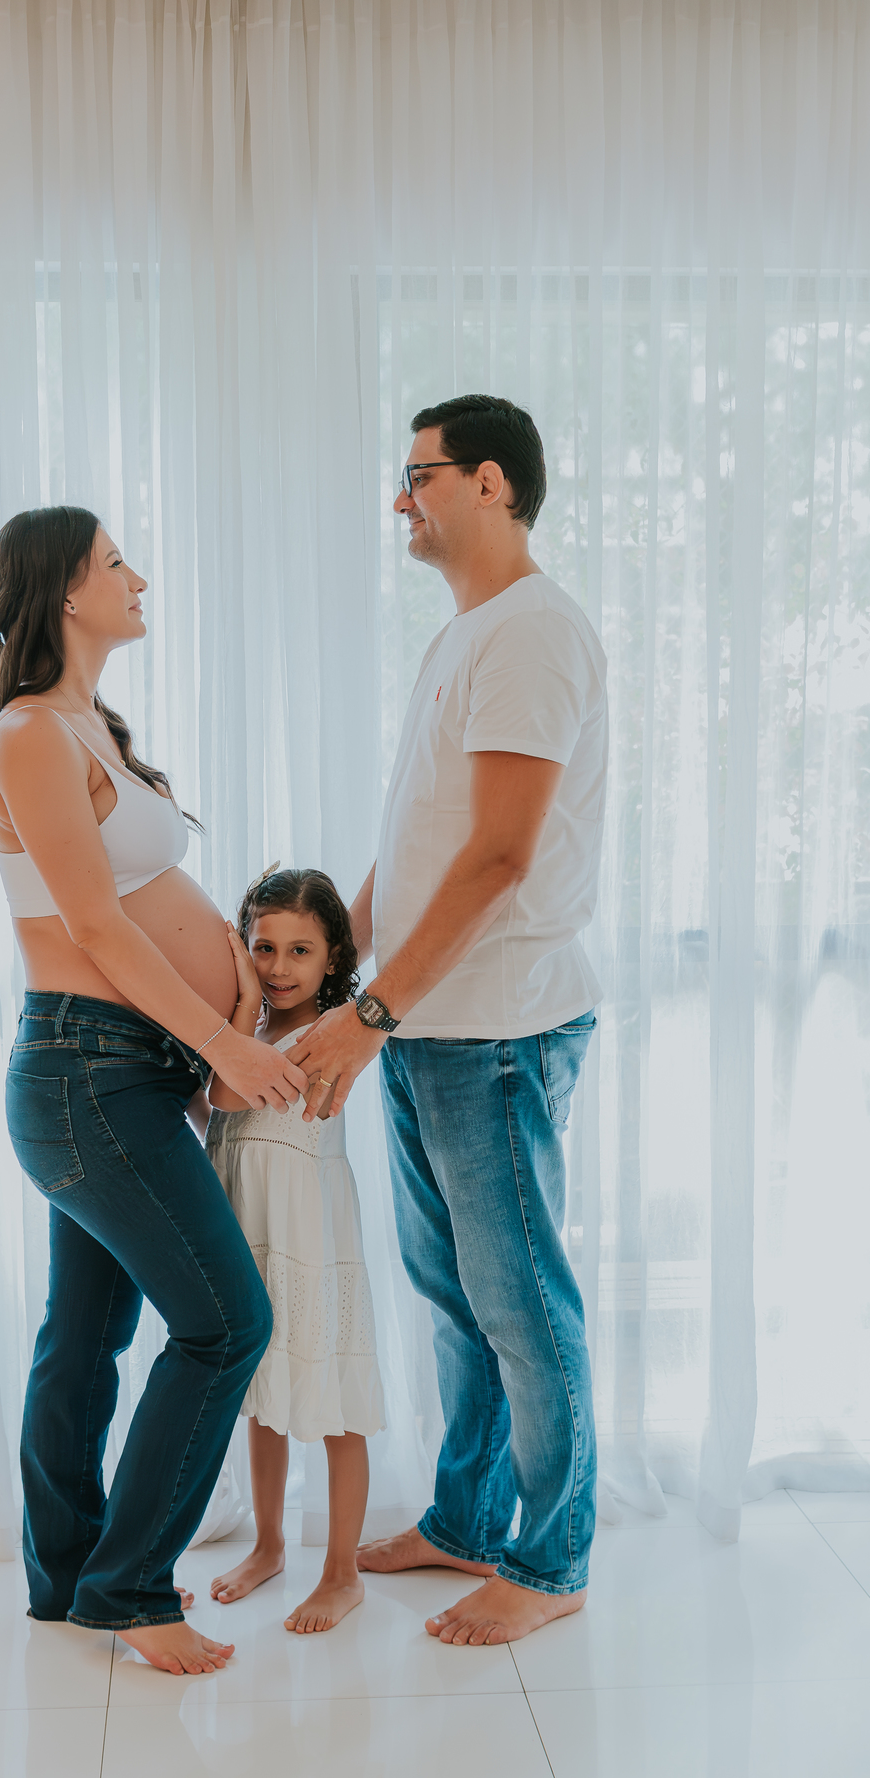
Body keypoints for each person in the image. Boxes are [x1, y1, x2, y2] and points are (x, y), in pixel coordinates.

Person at [286, 394, 608, 1647]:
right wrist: (338, 981)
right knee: (454, 1293)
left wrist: (366, 1014)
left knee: (520, 1300)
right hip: (431, 1024)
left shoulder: (531, 633)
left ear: (487, 481)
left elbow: (498, 859)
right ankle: (469, 1521)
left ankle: (554, 1556)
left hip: (496, 1032)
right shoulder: (470, 633)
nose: (398, 499)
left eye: (415, 475)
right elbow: (416, 847)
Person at [0, 506, 308, 1677]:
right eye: (116, 562)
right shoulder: (29, 734)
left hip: (126, 1074)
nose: (139, 578)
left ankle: (71, 1580)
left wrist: (219, 1028)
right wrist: (226, 1048)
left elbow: (144, 916)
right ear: (64, 589)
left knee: (86, 1338)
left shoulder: (87, 726)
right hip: (88, 1073)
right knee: (226, 1325)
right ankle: (128, 1588)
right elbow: (97, 929)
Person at [205, 867, 386, 1633]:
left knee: (335, 1402)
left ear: (333, 955)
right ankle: (270, 1542)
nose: (279, 967)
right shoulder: (246, 1033)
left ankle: (342, 1571)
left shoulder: (332, 1029)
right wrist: (242, 1016)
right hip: (252, 1226)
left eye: (300, 950)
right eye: (264, 947)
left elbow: (221, 1093)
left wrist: (239, 1011)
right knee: (265, 1397)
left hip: (308, 1230)